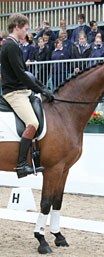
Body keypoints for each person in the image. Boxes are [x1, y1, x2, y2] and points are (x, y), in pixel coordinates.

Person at [1, 14, 54, 178]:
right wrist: (41, 89)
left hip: (23, 91)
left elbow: (25, 73)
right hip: (14, 93)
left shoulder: (15, 45)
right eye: (25, 28)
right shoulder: (10, 46)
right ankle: (22, 164)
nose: (27, 32)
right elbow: (21, 74)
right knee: (32, 122)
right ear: (17, 26)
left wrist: (41, 87)